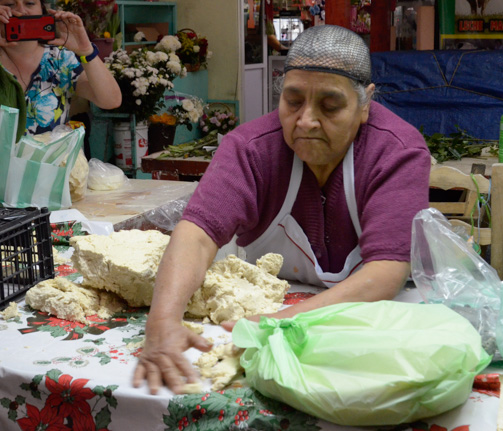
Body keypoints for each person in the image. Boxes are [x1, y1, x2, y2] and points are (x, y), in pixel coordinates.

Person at [133, 25, 432, 395]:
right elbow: (196, 235)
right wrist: (162, 320)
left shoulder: (397, 152)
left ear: (365, 103)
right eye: (293, 101)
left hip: (369, 334)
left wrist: (283, 322)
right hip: (265, 329)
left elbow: (387, 270)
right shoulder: (250, 149)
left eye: (330, 105)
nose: (305, 121)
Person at [0, 0, 121, 135]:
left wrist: (86, 50)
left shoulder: (60, 59)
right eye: (9, 4)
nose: (21, 11)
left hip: (52, 155)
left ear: (42, 9)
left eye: (30, 3)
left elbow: (111, 100)